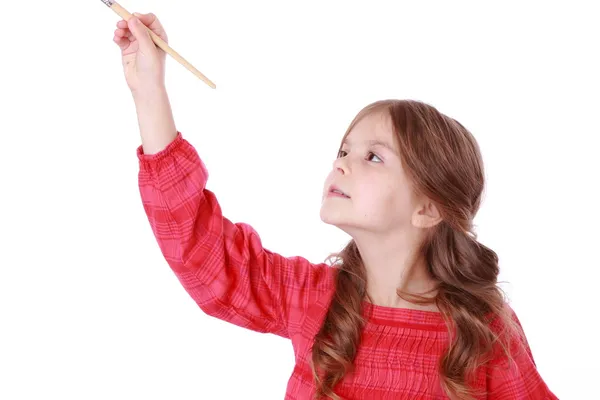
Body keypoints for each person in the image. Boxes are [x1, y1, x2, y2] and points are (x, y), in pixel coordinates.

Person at [113, 13, 558, 400]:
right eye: (344, 151)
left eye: (373, 157)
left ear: (428, 208)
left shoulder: (484, 332)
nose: (341, 164)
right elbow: (200, 251)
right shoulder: (312, 297)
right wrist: (149, 91)